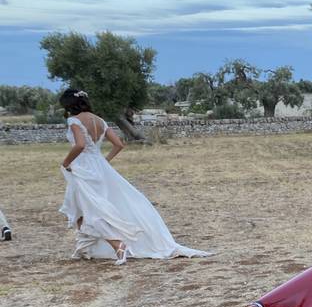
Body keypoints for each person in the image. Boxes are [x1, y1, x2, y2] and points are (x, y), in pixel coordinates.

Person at [58, 88, 210, 264]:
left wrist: (66, 163)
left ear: (69, 106)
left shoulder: (74, 120)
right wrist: (104, 161)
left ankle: (117, 245)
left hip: (83, 169)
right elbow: (119, 144)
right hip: (100, 167)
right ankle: (86, 248)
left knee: (89, 209)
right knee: (90, 207)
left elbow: (80, 145)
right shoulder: (100, 121)